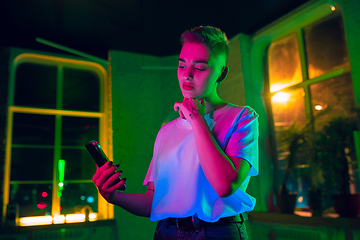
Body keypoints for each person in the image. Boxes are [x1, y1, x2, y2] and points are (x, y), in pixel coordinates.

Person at [92, 26, 259, 240]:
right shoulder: (166, 131)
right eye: (182, 65)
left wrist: (196, 118)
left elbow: (225, 185)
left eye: (199, 68)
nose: (187, 75)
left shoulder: (242, 117)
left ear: (222, 72)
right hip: (166, 232)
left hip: (219, 233)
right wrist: (113, 196)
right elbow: (153, 202)